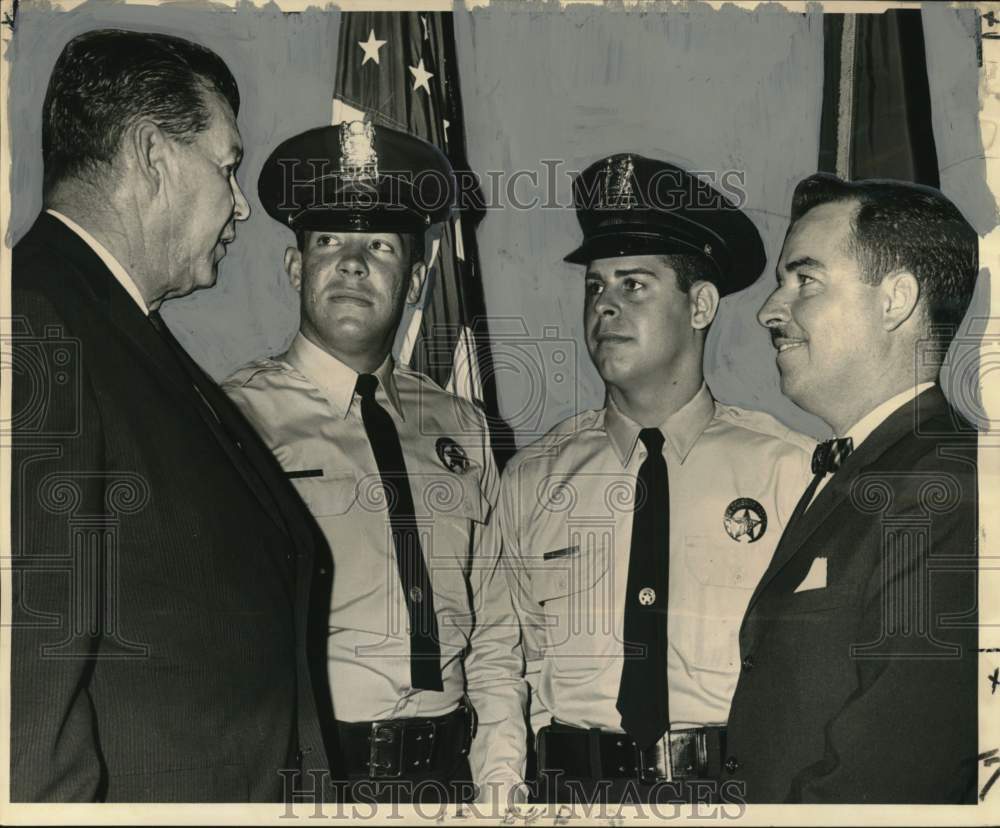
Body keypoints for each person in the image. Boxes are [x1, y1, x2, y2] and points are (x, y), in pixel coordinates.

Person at [11, 29, 333, 802]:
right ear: (153, 155)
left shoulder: (114, 328)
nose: (241, 204)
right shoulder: (36, 328)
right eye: (228, 167)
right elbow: (20, 701)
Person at [222, 121, 526, 806]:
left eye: (380, 246)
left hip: (448, 777)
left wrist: (501, 779)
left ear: (415, 278)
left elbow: (497, 633)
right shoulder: (234, 422)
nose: (353, 263)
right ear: (296, 268)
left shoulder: (463, 429)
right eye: (329, 240)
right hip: (308, 774)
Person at [498, 153, 815, 805]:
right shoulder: (534, 478)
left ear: (700, 305)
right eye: (594, 286)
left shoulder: (787, 470)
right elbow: (505, 663)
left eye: (633, 285)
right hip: (570, 797)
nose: (604, 307)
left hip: (732, 795)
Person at [724, 173, 980, 803]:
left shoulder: (942, 487)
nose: (769, 310)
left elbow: (895, 768)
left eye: (804, 279)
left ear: (895, 300)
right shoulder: (882, 467)